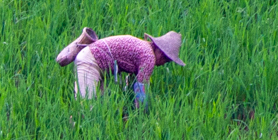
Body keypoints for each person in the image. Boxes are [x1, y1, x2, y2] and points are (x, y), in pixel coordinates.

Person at [53, 28, 186, 106]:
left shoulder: (143, 49)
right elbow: (140, 93)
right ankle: (70, 133)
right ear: (160, 52)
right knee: (85, 107)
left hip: (96, 62)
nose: (163, 63)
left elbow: (132, 85)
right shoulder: (148, 57)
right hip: (91, 61)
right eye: (166, 59)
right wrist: (143, 116)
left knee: (98, 110)